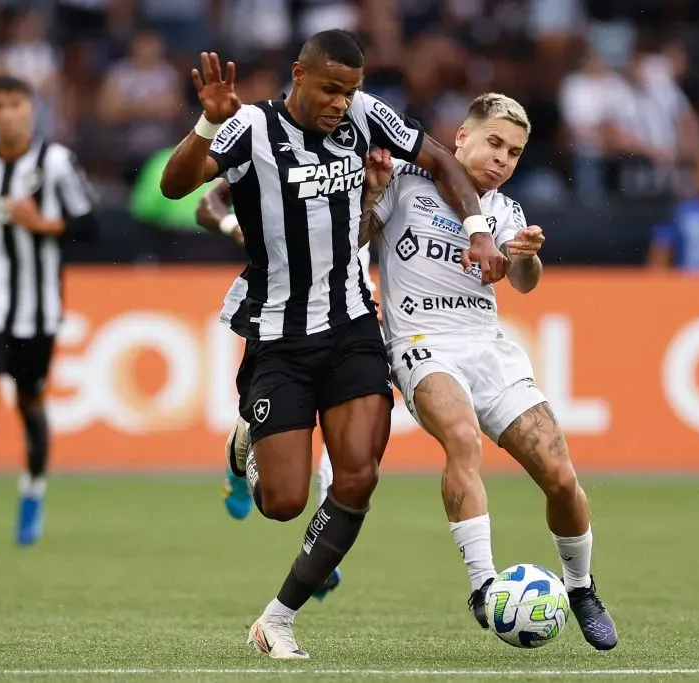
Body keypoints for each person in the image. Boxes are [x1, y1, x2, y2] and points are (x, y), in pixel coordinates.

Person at [159, 30, 508, 661]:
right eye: (330, 89)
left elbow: (441, 161)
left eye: (350, 91)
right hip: (279, 335)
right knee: (284, 502)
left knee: (358, 476)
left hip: (351, 327)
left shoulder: (365, 115)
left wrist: (479, 230)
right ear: (298, 75)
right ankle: (248, 444)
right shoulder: (248, 128)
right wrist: (207, 127)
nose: (341, 103)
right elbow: (174, 187)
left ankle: (278, 618)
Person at [359, 92, 619, 651]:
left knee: (560, 475)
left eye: (515, 152)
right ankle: (483, 586)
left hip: (488, 350)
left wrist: (525, 254)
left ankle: (581, 587)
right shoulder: (406, 181)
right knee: (461, 439)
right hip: (421, 344)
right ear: (461, 138)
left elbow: (523, 282)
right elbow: (350, 242)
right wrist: (372, 194)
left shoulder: (505, 211)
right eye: (494, 143)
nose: (502, 159)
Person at [0, 74, 97, 547]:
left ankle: (32, 491)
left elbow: (90, 226)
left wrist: (43, 223)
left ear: (31, 110)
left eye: (16, 105)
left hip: (38, 309)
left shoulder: (55, 163)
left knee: (31, 403)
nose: (7, 114)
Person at [195, 179, 345, 602]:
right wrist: (231, 227)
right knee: (283, 486)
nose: (339, 109)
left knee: (348, 445)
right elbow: (207, 203)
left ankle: (321, 554)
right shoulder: (272, 145)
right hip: (279, 315)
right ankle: (245, 442)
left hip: (349, 313)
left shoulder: (365, 152)